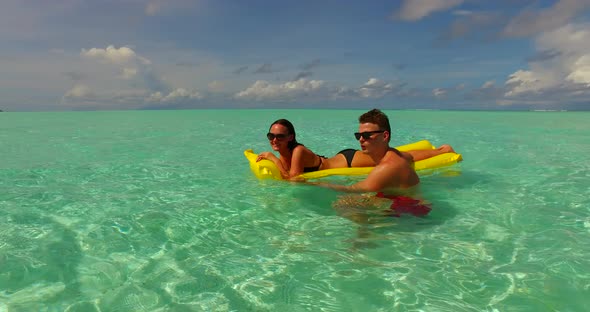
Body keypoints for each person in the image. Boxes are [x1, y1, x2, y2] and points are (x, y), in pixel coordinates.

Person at [256, 117, 455, 181]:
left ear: (290, 137)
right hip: (338, 158)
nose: (274, 140)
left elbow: (293, 180)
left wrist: (272, 159)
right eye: (271, 136)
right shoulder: (283, 152)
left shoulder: (297, 150)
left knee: (402, 156)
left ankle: (441, 150)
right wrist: (275, 157)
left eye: (280, 136)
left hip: (347, 161)